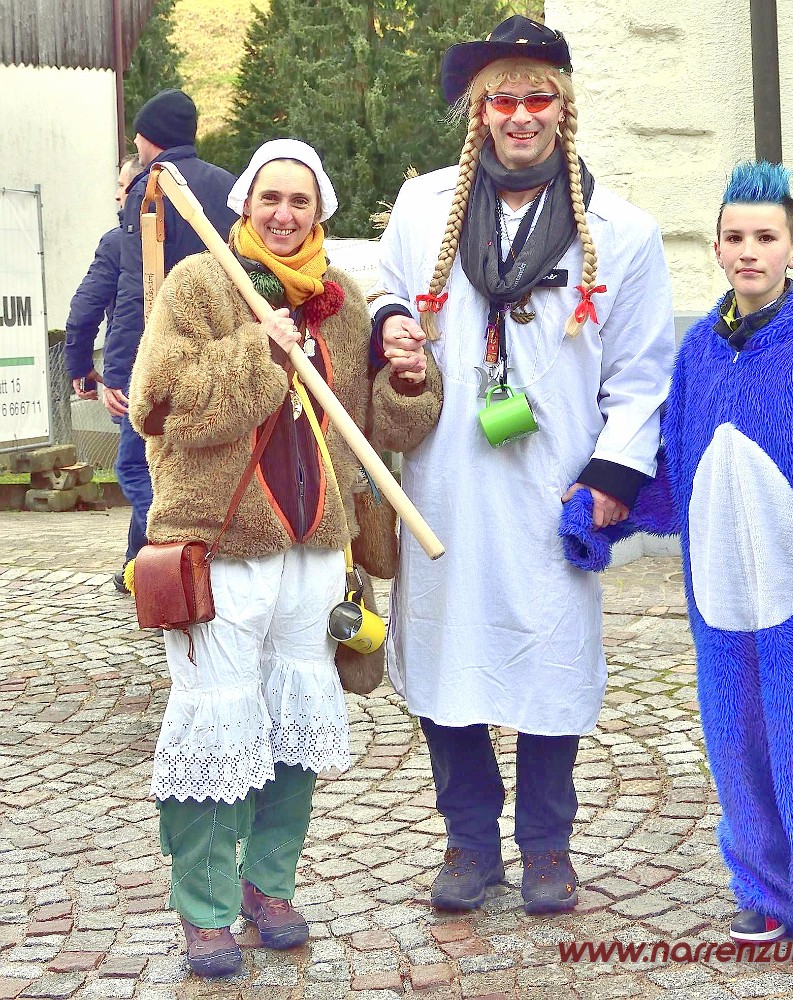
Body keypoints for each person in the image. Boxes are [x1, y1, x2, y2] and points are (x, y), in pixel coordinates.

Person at [561, 161, 793, 980]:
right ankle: (767, 888)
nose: (749, 251)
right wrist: (604, 507)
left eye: (765, 237)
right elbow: (679, 464)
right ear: (716, 249)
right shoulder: (700, 353)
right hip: (723, 596)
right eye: (734, 237)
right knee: (741, 746)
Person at [369, 16, 674, 915]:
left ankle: (546, 848)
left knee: (551, 664)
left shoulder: (622, 231)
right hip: (448, 482)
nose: (520, 115)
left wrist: (611, 477)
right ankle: (469, 842)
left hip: (553, 484)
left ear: (564, 108)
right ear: (480, 111)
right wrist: (393, 326)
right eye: (502, 99)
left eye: (538, 98)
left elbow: (642, 372)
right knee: (446, 657)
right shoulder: (424, 206)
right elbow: (386, 289)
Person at [128, 138, 442, 978]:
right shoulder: (202, 284)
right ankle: (204, 910)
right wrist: (257, 352)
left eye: (300, 200)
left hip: (315, 548)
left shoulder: (341, 303)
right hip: (221, 543)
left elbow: (376, 430)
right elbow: (160, 404)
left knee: (294, 724)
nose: (283, 213)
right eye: (270, 197)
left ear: (320, 212)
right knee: (213, 721)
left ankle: (269, 886)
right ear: (244, 205)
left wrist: (410, 379)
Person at [103, 89, 238, 587]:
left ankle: (187, 554)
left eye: (138, 137)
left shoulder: (152, 188)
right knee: (203, 460)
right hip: (223, 347)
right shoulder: (228, 185)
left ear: (150, 137)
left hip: (162, 353)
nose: (136, 146)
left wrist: (118, 372)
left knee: (136, 467)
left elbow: (134, 288)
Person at [64, 154, 143, 591]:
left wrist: (81, 366)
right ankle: (137, 565)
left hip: (135, 374)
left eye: (122, 186)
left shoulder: (118, 242)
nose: (116, 195)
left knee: (137, 469)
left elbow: (85, 309)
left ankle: (166, 560)